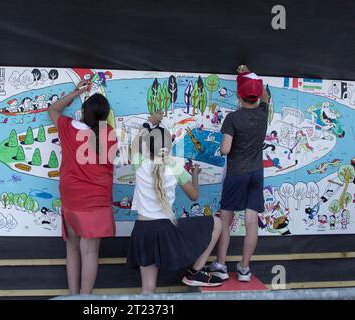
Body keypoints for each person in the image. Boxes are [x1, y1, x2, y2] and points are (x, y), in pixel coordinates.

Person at [126, 112, 223, 293]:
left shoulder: (139, 161)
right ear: (170, 146)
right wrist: (194, 175)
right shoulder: (176, 167)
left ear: (148, 145)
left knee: (147, 289)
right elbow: (194, 196)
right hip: (165, 231)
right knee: (217, 223)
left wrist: (149, 123)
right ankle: (195, 272)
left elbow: (135, 143)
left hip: (142, 231)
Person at [48, 80, 117, 295]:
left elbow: (52, 108)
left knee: (72, 247)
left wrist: (78, 91)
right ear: (105, 116)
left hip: (71, 197)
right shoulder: (109, 133)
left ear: (83, 111)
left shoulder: (68, 127)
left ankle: (72, 295)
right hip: (95, 199)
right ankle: (85, 298)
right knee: (89, 253)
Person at [205, 65, 270, 282]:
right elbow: (265, 94)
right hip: (256, 174)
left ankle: (221, 265)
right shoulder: (263, 113)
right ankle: (244, 268)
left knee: (225, 219)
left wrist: (243, 78)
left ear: (239, 95)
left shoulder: (233, 118)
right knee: (251, 221)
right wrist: (248, 75)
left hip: (236, 174)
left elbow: (225, 149)